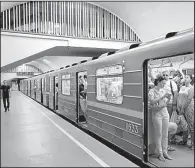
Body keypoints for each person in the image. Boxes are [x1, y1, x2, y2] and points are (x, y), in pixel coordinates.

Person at [148, 75, 172, 161]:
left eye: (165, 84)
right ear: (158, 82)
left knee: (165, 134)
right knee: (159, 134)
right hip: (156, 114)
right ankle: (160, 153)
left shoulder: (163, 90)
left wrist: (169, 98)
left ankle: (165, 152)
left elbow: (166, 103)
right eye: (162, 83)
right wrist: (162, 96)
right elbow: (152, 101)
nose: (163, 85)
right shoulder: (151, 91)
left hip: (165, 113)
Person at [177, 74, 194, 149]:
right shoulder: (182, 87)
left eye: (187, 77)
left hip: (188, 107)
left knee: (191, 125)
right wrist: (178, 107)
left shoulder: (191, 88)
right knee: (183, 125)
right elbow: (178, 97)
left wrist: (183, 108)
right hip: (181, 107)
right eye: (185, 77)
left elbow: (189, 99)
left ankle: (193, 144)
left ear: (190, 80)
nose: (186, 78)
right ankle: (184, 140)